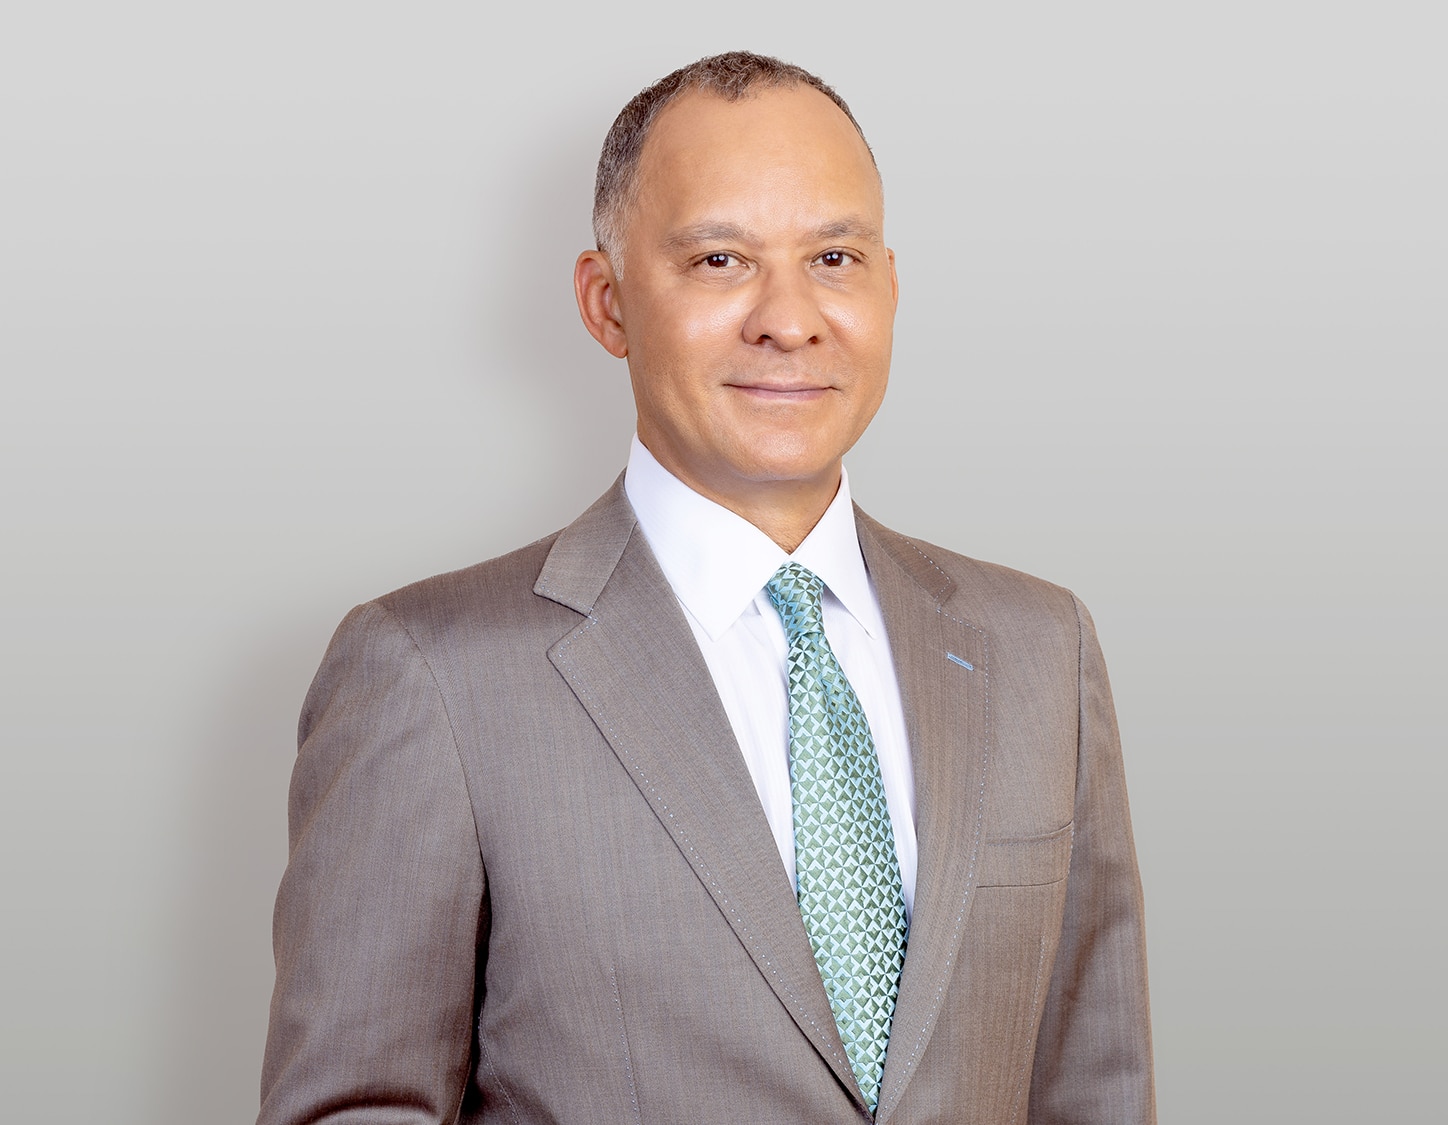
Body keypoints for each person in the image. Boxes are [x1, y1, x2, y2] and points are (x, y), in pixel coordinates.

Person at [259, 51, 1154, 1124]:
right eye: (721, 260)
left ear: (889, 287)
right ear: (606, 304)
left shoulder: (1039, 648)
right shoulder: (434, 676)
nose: (789, 318)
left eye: (834, 257)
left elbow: (1096, 1088)